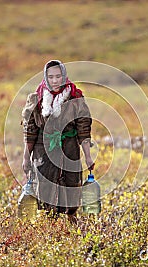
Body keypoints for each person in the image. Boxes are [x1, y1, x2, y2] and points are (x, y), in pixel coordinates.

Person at [21, 60, 94, 223]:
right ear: (46, 78)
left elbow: (83, 129)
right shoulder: (36, 99)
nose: (55, 81)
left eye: (58, 76)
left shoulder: (75, 97)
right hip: (43, 147)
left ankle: (71, 218)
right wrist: (26, 157)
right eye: (51, 77)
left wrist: (88, 156)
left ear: (64, 76)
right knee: (45, 184)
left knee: (72, 182)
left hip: (69, 146)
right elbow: (30, 131)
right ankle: (49, 222)